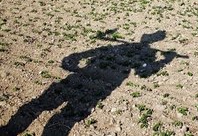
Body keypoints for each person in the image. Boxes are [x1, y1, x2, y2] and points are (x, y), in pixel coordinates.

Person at [0, 30, 187, 135]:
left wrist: (73, 66)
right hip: (79, 82)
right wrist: (165, 60)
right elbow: (143, 75)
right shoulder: (140, 51)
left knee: (40, 106)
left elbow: (71, 59)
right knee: (52, 112)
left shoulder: (122, 47)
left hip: (74, 79)